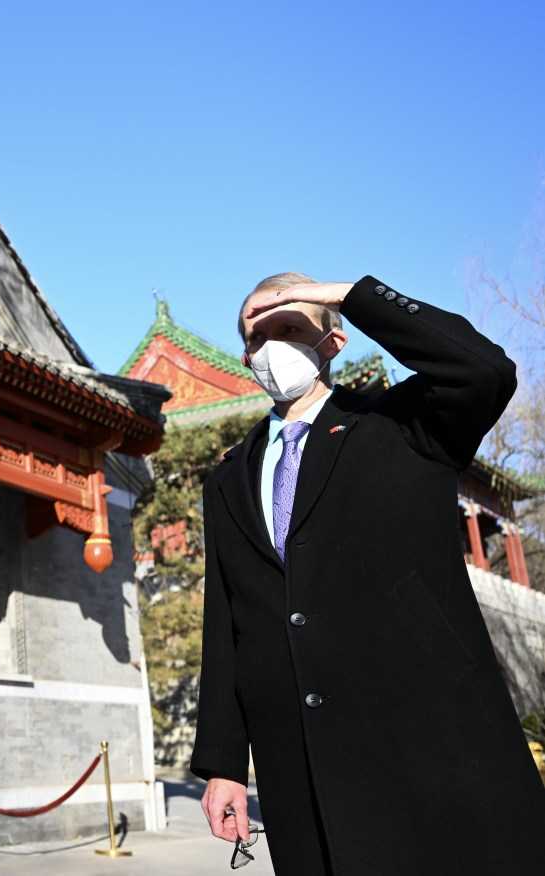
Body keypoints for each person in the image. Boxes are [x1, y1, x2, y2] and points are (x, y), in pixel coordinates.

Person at [191, 273, 545, 875]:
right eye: (259, 335)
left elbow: (484, 370)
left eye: (291, 327)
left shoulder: (405, 424)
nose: (272, 344)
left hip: (427, 735)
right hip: (298, 761)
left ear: (334, 341)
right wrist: (224, 762)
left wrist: (346, 294)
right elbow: (227, 619)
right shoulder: (227, 477)